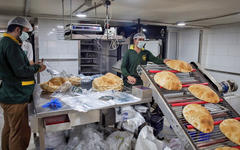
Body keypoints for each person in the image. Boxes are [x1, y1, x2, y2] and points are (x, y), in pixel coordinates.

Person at [0, 16, 46, 150]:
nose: (27, 35)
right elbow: (21, 71)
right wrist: (38, 68)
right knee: (18, 133)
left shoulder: (5, 42)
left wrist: (32, 65)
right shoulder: (11, 45)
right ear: (18, 29)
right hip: (15, 97)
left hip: (8, 94)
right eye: (26, 31)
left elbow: (17, 66)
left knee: (9, 129)